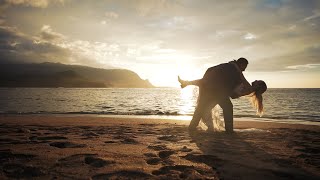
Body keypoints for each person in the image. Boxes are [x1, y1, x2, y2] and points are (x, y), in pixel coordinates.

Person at [178, 57, 267, 133]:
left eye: (258, 82)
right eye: (244, 67)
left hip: (213, 83)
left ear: (258, 86)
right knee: (223, 107)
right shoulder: (235, 70)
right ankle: (228, 130)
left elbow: (233, 91)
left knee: (202, 107)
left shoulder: (234, 69)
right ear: (241, 64)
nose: (244, 69)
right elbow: (233, 93)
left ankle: (192, 127)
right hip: (217, 89)